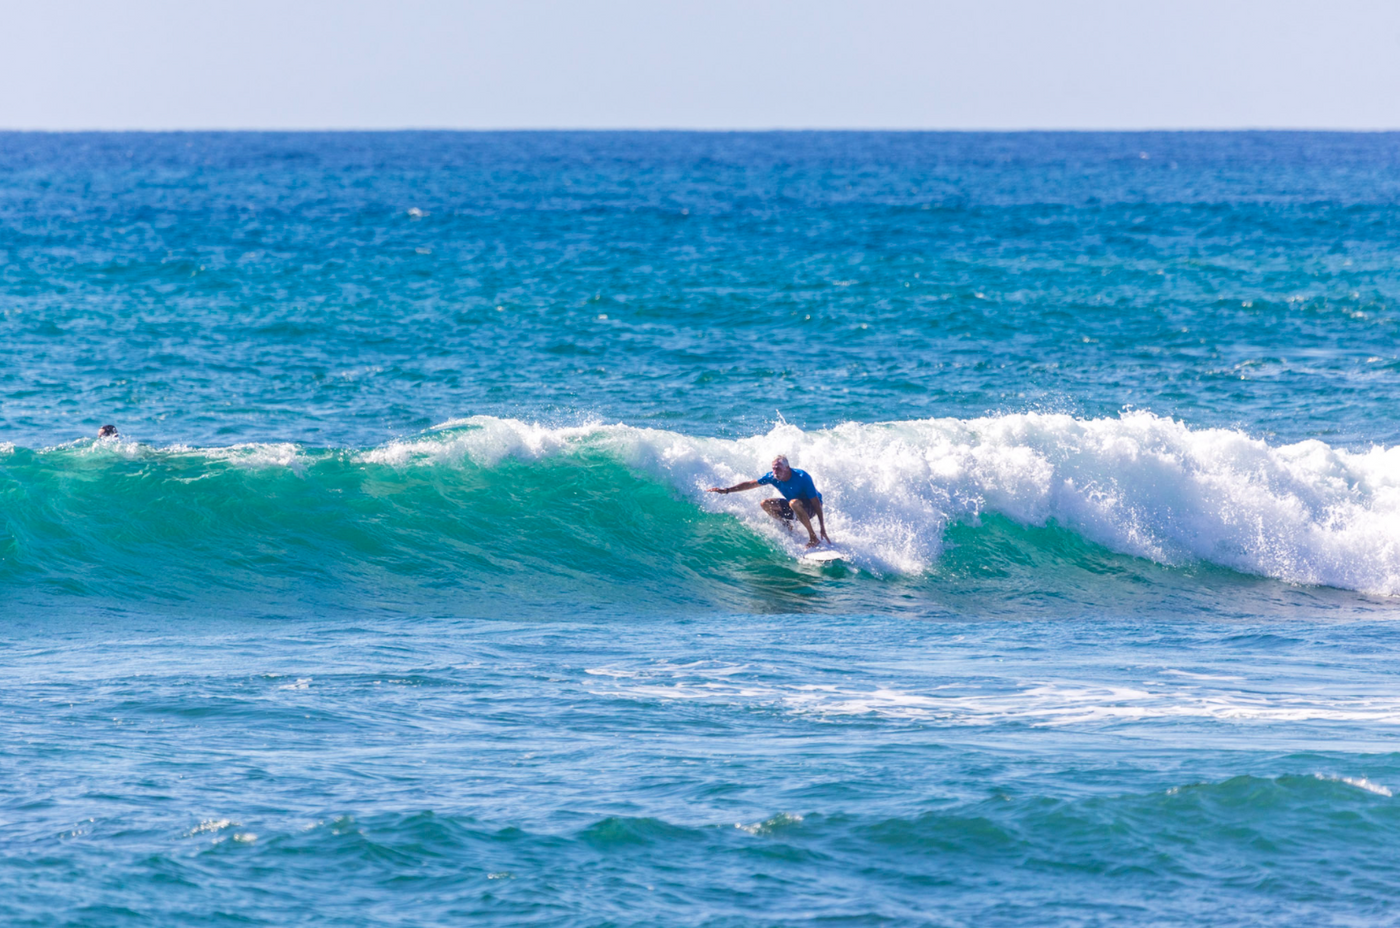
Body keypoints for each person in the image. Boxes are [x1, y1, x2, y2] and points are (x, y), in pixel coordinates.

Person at [708, 455, 831, 548]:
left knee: (793, 503)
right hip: (793, 506)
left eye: (778, 469)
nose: (775, 472)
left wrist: (822, 528)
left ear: (787, 468)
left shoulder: (802, 477)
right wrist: (727, 490)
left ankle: (813, 538)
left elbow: (816, 503)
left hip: (811, 507)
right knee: (765, 503)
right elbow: (750, 484)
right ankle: (788, 527)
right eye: (773, 469)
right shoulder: (772, 477)